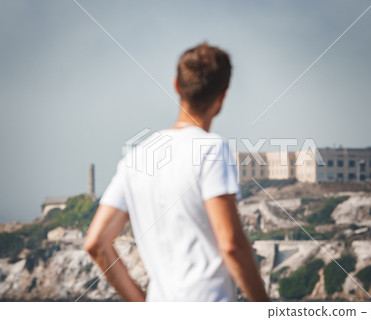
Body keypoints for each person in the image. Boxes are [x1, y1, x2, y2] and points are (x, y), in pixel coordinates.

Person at [84, 43, 270, 302]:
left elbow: (96, 242)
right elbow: (231, 245)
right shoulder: (211, 149)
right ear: (222, 96)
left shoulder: (137, 157)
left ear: (176, 85)